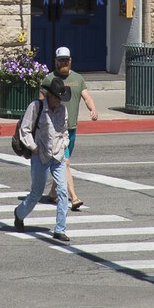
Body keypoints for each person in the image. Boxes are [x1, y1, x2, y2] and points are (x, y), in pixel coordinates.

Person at [11, 70, 72, 241]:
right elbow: (25, 130)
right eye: (56, 97)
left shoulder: (62, 110)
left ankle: (60, 229)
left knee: (62, 192)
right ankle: (19, 213)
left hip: (58, 155)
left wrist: (64, 143)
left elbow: (64, 131)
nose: (59, 101)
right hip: (41, 155)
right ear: (49, 95)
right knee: (36, 193)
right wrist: (34, 147)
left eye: (61, 98)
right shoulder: (36, 107)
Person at [53, 45, 102, 210]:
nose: (63, 63)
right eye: (60, 60)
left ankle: (53, 193)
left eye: (66, 60)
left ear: (70, 60)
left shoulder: (78, 79)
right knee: (65, 162)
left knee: (62, 162)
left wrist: (93, 109)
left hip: (71, 128)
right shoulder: (50, 79)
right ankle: (73, 197)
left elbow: (86, 97)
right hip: (57, 130)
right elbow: (41, 103)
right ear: (56, 61)